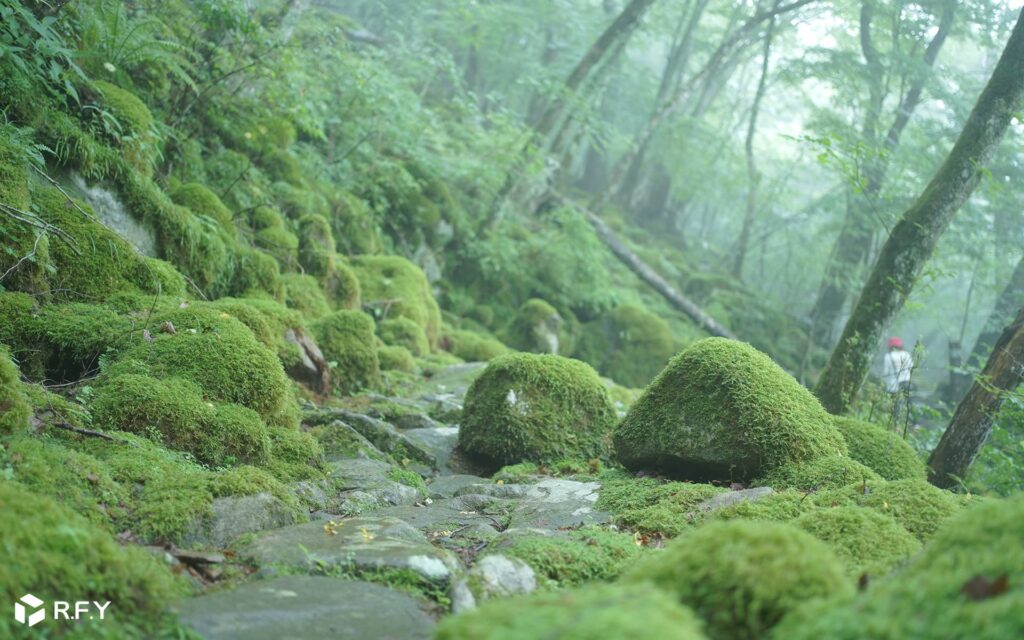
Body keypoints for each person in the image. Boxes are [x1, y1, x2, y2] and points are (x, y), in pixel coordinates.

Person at [883, 336, 914, 428]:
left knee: (895, 406)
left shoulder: (888, 356)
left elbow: (886, 372)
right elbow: (911, 367)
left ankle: (895, 425)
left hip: (893, 385)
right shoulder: (906, 354)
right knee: (908, 403)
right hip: (905, 382)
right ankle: (913, 423)